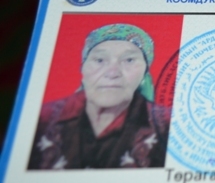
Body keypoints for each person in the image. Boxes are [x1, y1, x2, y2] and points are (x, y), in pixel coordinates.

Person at [28, 24, 171, 169]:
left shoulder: (168, 124)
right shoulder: (40, 119)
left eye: (129, 60)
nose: (112, 73)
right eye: (100, 60)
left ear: (145, 72)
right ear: (83, 67)